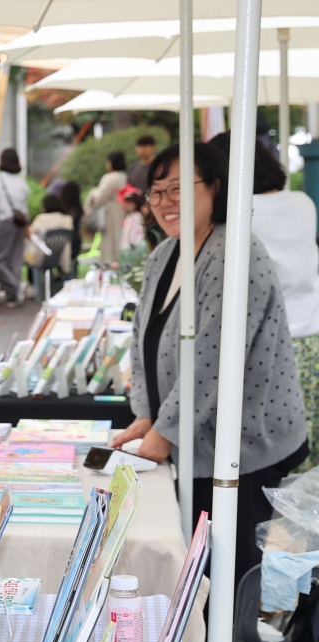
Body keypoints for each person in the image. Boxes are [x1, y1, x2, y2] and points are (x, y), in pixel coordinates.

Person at [112, 142, 307, 603]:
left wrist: (167, 430)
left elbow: (213, 357)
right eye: (156, 191)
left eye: (178, 188)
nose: (164, 202)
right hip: (194, 438)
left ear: (216, 187)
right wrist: (148, 415)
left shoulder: (234, 253)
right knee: (197, 575)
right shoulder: (166, 254)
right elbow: (143, 341)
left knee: (228, 582)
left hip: (242, 447)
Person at [210, 131, 319, 470]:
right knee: (308, 461)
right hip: (313, 335)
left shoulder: (241, 214)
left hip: (270, 346)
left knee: (273, 460)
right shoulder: (303, 201)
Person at [0, 147, 30, 307]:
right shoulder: (22, 181)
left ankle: (14, 288)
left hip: (4, 221)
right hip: (20, 222)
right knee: (15, 259)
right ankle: (13, 294)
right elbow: (25, 207)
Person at [28, 193, 76, 301]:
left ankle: (36, 290)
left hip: (41, 256)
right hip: (60, 256)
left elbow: (30, 233)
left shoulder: (40, 219)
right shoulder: (67, 219)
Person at [85, 151, 128, 265]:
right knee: (120, 239)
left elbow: (100, 197)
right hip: (122, 211)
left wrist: (92, 192)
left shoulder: (110, 177)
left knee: (109, 242)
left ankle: (109, 266)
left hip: (109, 214)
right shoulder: (124, 176)